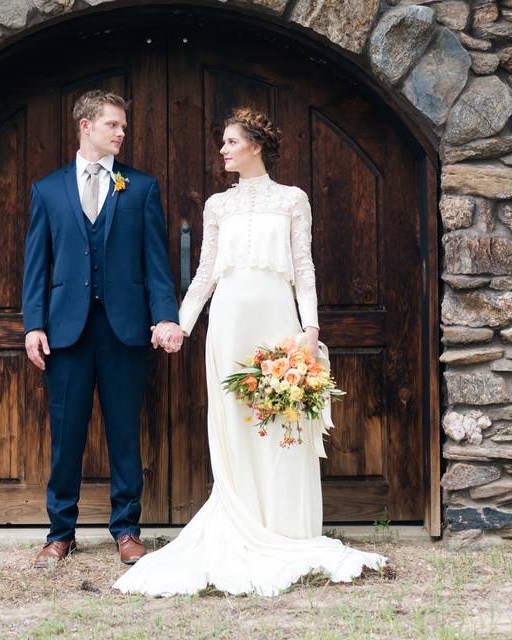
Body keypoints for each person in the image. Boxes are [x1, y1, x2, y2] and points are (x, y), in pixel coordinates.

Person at [114, 107, 388, 596]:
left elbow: (304, 268)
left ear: (255, 146)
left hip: (277, 320)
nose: (222, 150)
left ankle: (286, 527)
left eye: (230, 142)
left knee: (282, 419)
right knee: (236, 423)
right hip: (228, 323)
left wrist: (310, 328)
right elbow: (204, 275)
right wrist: (181, 325)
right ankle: (241, 516)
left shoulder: (292, 200)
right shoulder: (218, 205)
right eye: (223, 143)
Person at [22, 90, 185, 569]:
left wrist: (166, 315)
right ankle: (60, 533)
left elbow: (157, 262)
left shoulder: (140, 187)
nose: (121, 133)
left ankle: (128, 531)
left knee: (124, 433)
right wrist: (34, 324)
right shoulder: (48, 190)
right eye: (113, 125)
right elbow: (37, 264)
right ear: (85, 126)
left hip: (125, 331)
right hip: (65, 332)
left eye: (123, 127)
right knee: (66, 436)